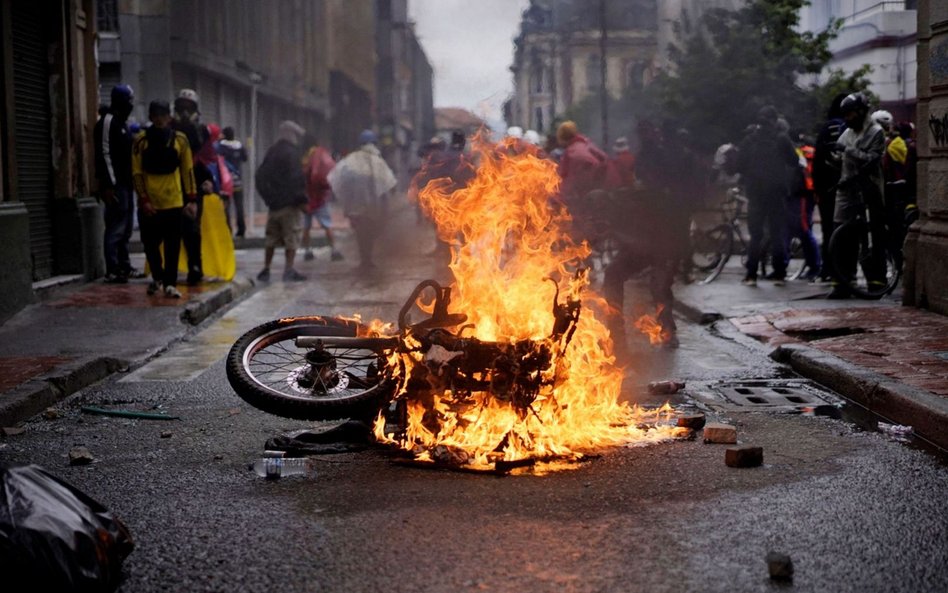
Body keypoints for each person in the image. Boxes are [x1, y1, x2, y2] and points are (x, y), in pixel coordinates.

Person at [131, 100, 197, 298]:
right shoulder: (141, 141)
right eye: (156, 115)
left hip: (173, 201)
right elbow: (136, 173)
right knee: (150, 243)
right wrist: (143, 200)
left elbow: (187, 170)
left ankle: (170, 282)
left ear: (169, 117)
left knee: (173, 245)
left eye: (163, 115)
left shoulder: (180, 140)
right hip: (150, 202)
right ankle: (157, 277)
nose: (160, 119)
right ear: (151, 117)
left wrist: (191, 198)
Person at [827, 93, 886, 299]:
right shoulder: (846, 133)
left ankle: (876, 281)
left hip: (868, 191)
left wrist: (848, 151)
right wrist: (834, 158)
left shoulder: (876, 132)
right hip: (846, 191)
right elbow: (842, 160)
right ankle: (842, 283)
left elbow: (871, 160)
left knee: (870, 237)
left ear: (861, 112)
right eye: (845, 115)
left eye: (850, 114)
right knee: (841, 236)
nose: (846, 119)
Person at [733, 105, 800, 286]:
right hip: (777, 193)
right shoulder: (781, 139)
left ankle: (751, 275)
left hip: (755, 193)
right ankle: (779, 273)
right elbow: (794, 161)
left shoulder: (749, 140)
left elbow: (738, 165)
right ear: (774, 120)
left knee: (756, 235)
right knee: (777, 233)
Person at [326, 129, 398, 271]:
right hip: (373, 206)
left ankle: (365, 259)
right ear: (374, 143)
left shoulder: (351, 160)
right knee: (371, 232)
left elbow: (339, 179)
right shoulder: (377, 161)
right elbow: (389, 183)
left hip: (355, 207)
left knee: (360, 234)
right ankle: (367, 260)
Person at [94, 84, 138, 283]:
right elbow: (104, 154)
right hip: (115, 185)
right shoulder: (108, 122)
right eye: (128, 100)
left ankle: (124, 266)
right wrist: (108, 184)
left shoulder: (122, 124)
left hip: (126, 184)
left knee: (126, 228)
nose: (131, 105)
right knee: (115, 227)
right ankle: (112, 268)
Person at [255, 121, 309, 282]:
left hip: (274, 206)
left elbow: (260, 176)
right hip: (290, 205)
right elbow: (296, 180)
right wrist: (301, 200)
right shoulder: (292, 154)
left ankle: (266, 269)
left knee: (271, 238)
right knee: (291, 238)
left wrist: (268, 198)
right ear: (291, 135)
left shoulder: (272, 151)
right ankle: (289, 269)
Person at [172, 88, 214, 286]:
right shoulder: (168, 129)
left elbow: (206, 159)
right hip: (170, 185)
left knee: (192, 229)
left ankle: (195, 267)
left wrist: (209, 180)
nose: (185, 112)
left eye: (189, 108)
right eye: (182, 108)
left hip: (193, 186)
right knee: (170, 230)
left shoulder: (202, 132)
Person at [812, 94, 847, 282]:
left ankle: (827, 268)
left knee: (828, 229)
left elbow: (818, 161)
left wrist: (817, 188)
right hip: (846, 187)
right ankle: (844, 270)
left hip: (826, 189)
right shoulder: (850, 129)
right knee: (845, 230)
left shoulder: (827, 128)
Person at [301, 133, 342, 262]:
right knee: (326, 224)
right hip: (318, 197)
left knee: (306, 227)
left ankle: (307, 251)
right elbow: (317, 174)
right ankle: (334, 250)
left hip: (305, 196)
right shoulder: (319, 153)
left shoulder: (303, 156)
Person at [787, 137, 822, 280]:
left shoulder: (800, 152)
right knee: (804, 228)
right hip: (807, 193)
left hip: (802, 194)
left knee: (804, 228)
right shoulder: (810, 151)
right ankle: (812, 264)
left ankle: (814, 266)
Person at [217, 126, 248, 238]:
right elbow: (245, 158)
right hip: (237, 180)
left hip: (225, 181)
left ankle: (227, 229)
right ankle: (241, 229)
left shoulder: (221, 147)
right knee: (239, 205)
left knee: (226, 206)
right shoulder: (239, 146)